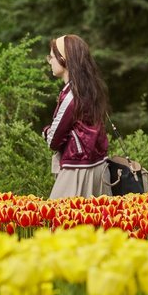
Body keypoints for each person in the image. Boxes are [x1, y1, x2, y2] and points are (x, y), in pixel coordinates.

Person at [42, 34, 112, 199]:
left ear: (63, 60)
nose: (49, 61)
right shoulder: (91, 90)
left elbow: (53, 140)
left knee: (60, 221)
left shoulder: (71, 96)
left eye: (51, 57)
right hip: (100, 169)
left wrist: (45, 131)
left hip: (77, 171)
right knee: (97, 223)